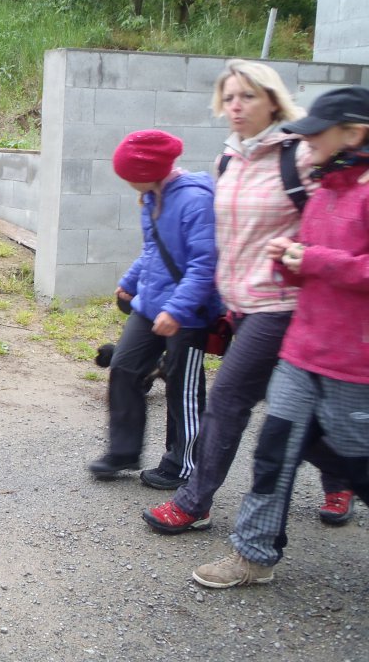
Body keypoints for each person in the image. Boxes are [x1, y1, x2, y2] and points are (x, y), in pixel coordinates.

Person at [143, 60, 354, 535]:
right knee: (290, 407)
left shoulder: (301, 154)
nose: (236, 106)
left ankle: (194, 502)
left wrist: (307, 256)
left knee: (228, 398)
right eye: (230, 97)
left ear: (273, 101)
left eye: (248, 96)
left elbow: (340, 214)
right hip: (239, 304)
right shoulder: (229, 159)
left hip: (282, 304)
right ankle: (343, 478)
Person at [192, 86, 369, 588]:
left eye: (316, 135)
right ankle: (253, 555)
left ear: (354, 134)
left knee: (358, 462)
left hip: (353, 365)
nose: (306, 144)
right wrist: (289, 260)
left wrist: (313, 260)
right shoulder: (324, 189)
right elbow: (312, 266)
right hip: (301, 351)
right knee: (273, 451)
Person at [87, 130, 217, 488]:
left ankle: (183, 464)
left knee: (182, 389)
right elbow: (152, 251)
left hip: (190, 313)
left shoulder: (195, 201)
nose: (125, 181)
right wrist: (129, 282)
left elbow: (204, 265)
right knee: (124, 367)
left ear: (149, 172)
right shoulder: (150, 197)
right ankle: (123, 451)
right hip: (151, 302)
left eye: (128, 174)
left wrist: (176, 310)